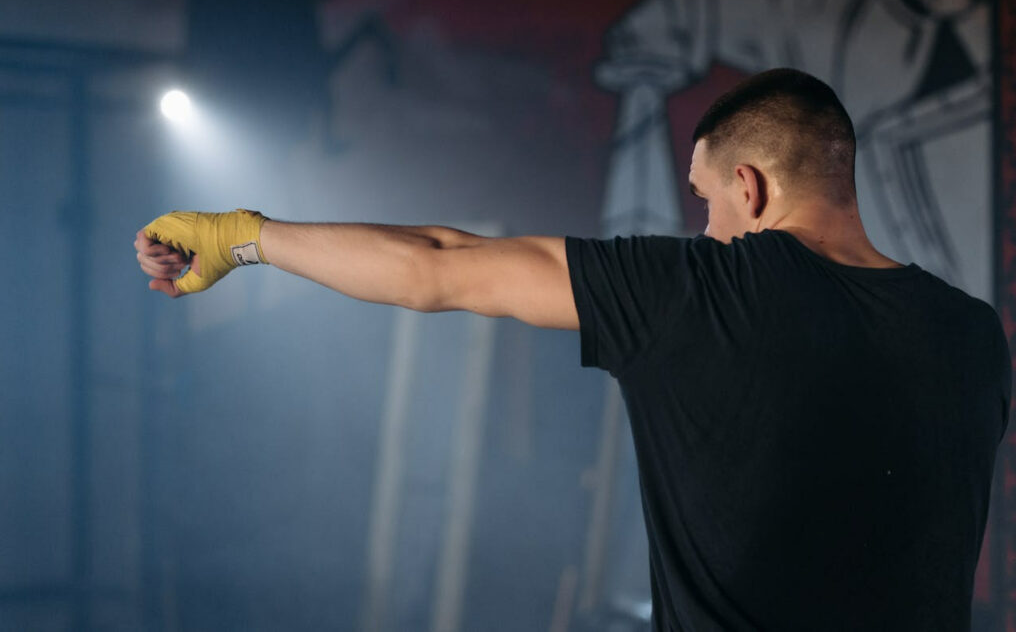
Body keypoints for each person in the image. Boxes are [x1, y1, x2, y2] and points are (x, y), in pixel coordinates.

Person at [134, 68, 1010, 631]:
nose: (702, 227)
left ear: (750, 185)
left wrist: (241, 236)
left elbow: (441, 267)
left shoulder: (708, 292)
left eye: (705, 199)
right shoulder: (973, 337)